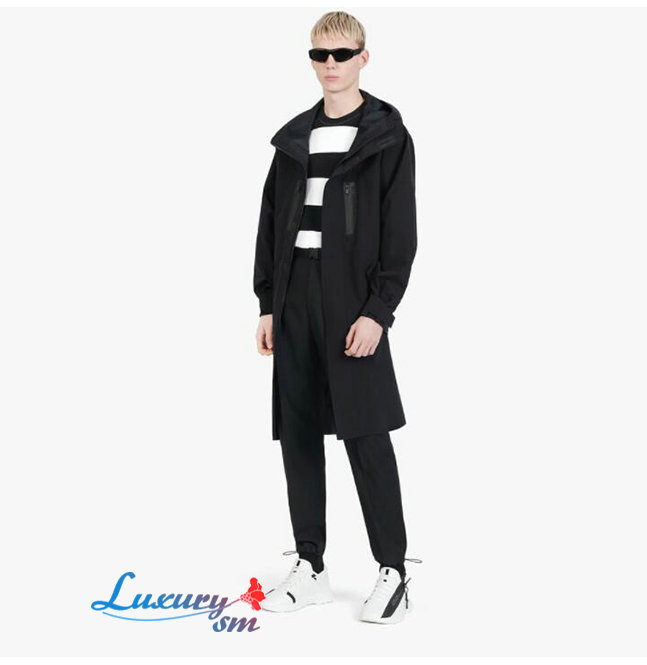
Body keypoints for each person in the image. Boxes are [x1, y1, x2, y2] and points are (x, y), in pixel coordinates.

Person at [253, 11, 421, 624]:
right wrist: (267, 302)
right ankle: (311, 567)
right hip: (295, 294)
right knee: (298, 432)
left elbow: (400, 233)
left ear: (363, 58)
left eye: (342, 54)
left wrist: (379, 311)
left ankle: (393, 570)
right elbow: (271, 222)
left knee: (365, 432)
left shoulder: (387, 136)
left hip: (352, 300)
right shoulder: (294, 138)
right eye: (320, 54)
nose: (330, 65)